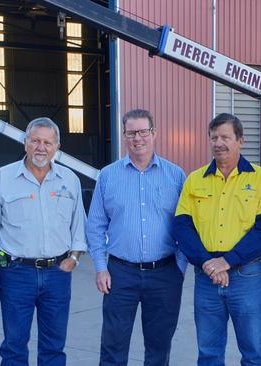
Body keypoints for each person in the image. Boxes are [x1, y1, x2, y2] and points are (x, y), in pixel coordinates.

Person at [0, 117, 87, 366]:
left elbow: (79, 226)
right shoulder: (2, 178)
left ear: (57, 146)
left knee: (54, 348)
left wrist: (74, 259)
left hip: (58, 275)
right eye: (35, 140)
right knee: (14, 347)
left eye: (47, 142)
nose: (41, 147)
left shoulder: (70, 181)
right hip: (16, 274)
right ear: (25, 143)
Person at [172, 113, 261, 366]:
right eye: (214, 137)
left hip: (247, 277)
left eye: (225, 137)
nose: (219, 143)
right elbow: (182, 227)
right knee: (209, 353)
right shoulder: (194, 179)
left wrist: (227, 261)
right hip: (206, 278)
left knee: (254, 353)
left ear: (240, 140)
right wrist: (208, 262)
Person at [86, 109, 186, 366]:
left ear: (154, 133)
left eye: (143, 132)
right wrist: (100, 268)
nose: (138, 138)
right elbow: (95, 226)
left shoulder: (176, 176)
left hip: (165, 273)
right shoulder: (108, 176)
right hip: (120, 274)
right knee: (113, 347)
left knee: (159, 348)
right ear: (124, 135)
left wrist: (180, 268)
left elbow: (187, 225)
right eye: (132, 133)